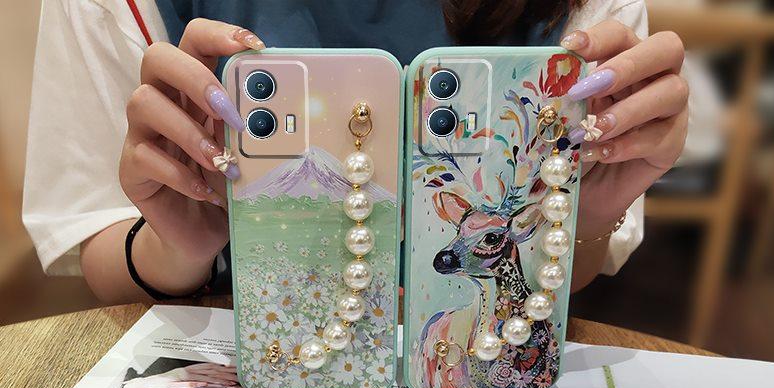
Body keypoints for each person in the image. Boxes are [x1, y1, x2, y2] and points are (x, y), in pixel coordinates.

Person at [23, 0, 688, 302]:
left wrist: (582, 218)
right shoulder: (125, 8)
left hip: (481, 369)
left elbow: (564, 276)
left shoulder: (584, 19)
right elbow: (90, 238)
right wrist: (178, 245)